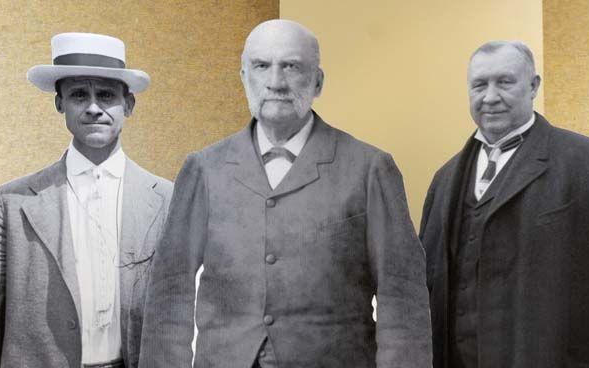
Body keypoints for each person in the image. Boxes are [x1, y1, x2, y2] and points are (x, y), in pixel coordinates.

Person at [140, 19, 432, 368]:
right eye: (262, 66)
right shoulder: (204, 169)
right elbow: (171, 290)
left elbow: (401, 295)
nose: (275, 82)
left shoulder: (370, 169)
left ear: (318, 81)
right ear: (243, 78)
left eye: (291, 67)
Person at [419, 40, 589, 367]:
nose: (491, 97)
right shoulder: (443, 181)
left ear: (533, 86)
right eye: (479, 85)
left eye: (505, 82)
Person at [0, 33, 173, 368]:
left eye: (107, 95)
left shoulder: (169, 200)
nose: (94, 108)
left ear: (128, 105)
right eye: (79, 94)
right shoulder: (9, 204)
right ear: (60, 104)